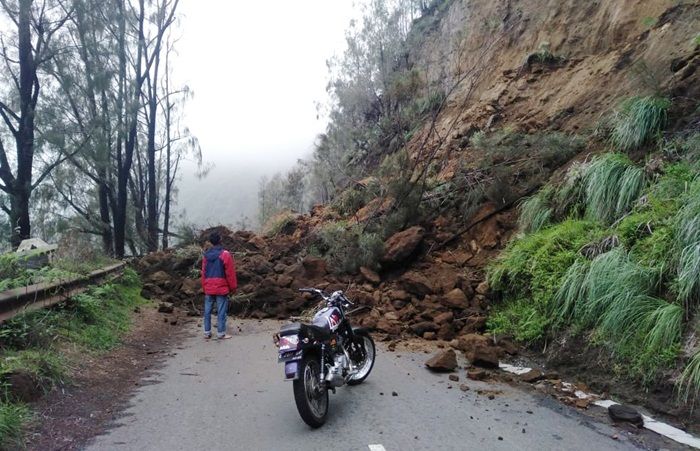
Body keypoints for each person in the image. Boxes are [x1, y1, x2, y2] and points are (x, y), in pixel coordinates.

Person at [201, 231, 237, 339]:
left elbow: (203, 272)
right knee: (221, 311)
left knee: (207, 311)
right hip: (221, 287)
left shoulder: (206, 256)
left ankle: (207, 332)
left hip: (208, 287)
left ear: (211, 242)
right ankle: (221, 333)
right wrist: (233, 287)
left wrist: (204, 286)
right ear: (220, 240)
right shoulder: (225, 254)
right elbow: (230, 273)